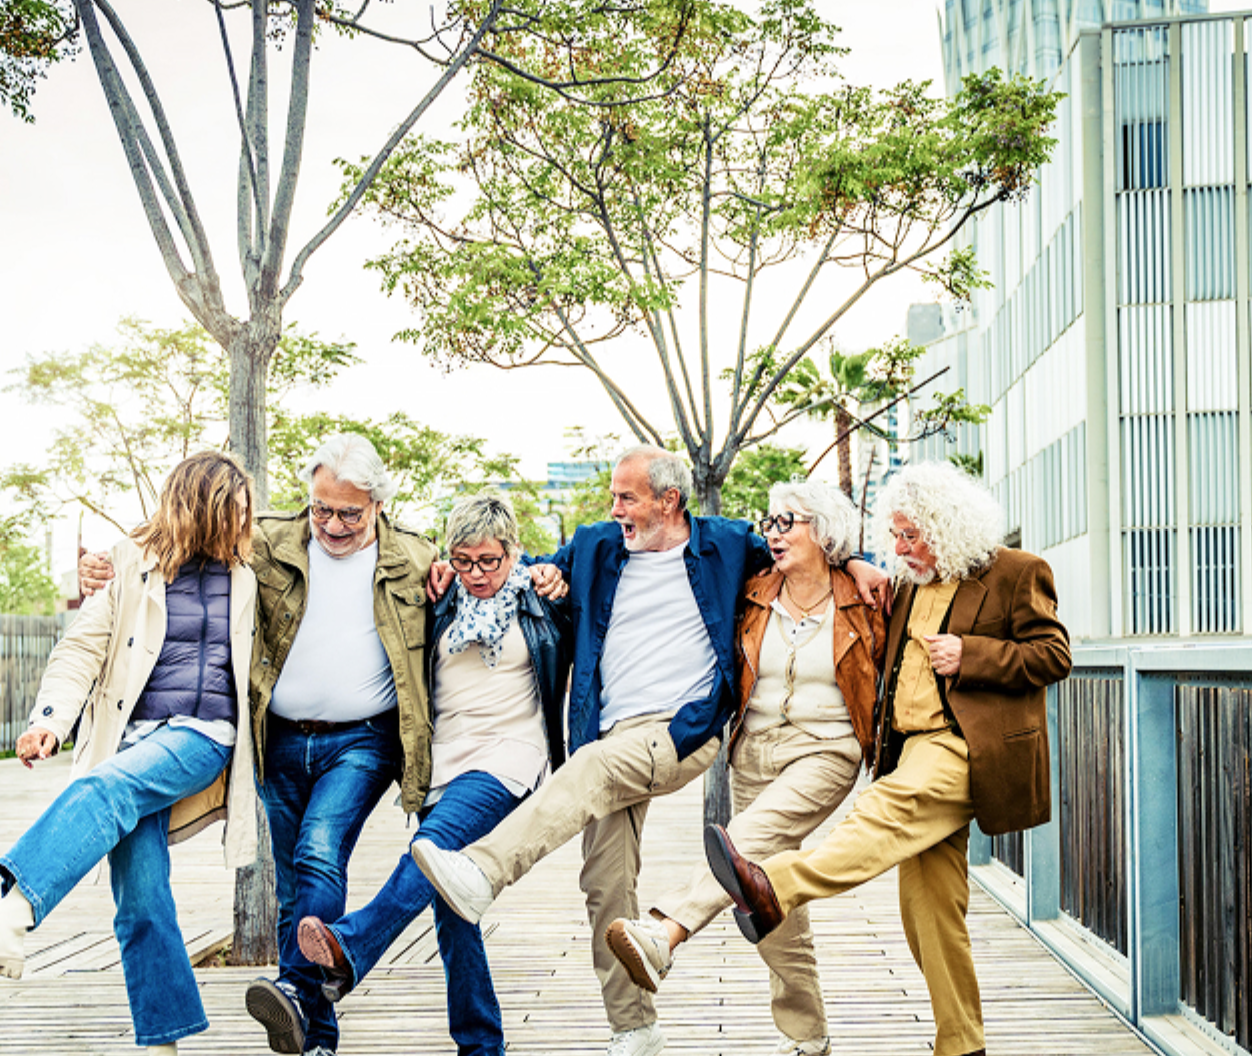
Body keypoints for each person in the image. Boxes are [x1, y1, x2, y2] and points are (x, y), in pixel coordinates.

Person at [410, 446, 888, 1056]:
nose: (616, 511)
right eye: (613, 498)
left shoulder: (727, 545)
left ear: (670, 500)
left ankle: (484, 870)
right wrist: (448, 569)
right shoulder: (595, 547)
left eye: (627, 498)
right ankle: (636, 1028)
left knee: (597, 771)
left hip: (680, 730)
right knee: (606, 881)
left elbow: (812, 552)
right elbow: (520, 574)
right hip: (612, 730)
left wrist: (863, 564)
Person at [81, 433, 440, 1056]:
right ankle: (314, 1033)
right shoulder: (269, 539)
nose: (331, 524)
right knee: (291, 890)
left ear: (379, 504)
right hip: (274, 738)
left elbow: (487, 576)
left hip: (362, 740)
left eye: (349, 513)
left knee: (319, 853)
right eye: (321, 508)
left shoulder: (416, 558)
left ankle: (296, 990)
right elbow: (186, 531)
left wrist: (542, 574)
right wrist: (113, 561)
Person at [703, 461, 1072, 1056]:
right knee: (929, 911)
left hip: (963, 748)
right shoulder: (904, 583)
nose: (901, 547)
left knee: (879, 812)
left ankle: (773, 883)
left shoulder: (1015, 572)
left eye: (911, 535)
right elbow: (848, 578)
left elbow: (1053, 654)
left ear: (946, 526)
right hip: (909, 748)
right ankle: (962, 1045)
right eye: (895, 536)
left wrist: (972, 653)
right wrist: (852, 560)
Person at [604, 481, 886, 1056]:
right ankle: (808, 1036)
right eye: (770, 522)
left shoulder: (865, 599)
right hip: (752, 749)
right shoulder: (755, 591)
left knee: (743, 852)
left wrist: (860, 560)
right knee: (768, 897)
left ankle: (665, 930)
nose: (773, 533)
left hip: (826, 749)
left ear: (823, 532)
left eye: (789, 522)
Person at [0, 451, 259, 1055]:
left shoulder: (252, 569)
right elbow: (79, 650)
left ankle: (11, 912)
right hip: (132, 738)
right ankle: (163, 1043)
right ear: (202, 510)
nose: (244, 526)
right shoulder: (131, 563)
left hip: (203, 736)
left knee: (100, 788)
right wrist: (50, 722)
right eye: (234, 514)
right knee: (141, 901)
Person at [294, 490, 570, 1056]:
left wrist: (556, 575)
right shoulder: (439, 599)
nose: (476, 574)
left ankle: (351, 944)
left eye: (490, 561)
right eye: (464, 560)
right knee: (452, 907)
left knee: (431, 850)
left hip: (510, 755)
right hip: (443, 762)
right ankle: (480, 1046)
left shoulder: (541, 599)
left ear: (514, 550)